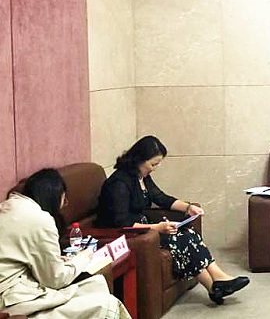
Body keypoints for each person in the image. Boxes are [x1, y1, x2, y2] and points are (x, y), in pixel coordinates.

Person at [95, 136, 249, 305]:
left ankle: (217, 283)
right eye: (153, 164)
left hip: (144, 227)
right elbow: (121, 222)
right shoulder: (119, 183)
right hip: (130, 233)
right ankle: (216, 285)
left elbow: (160, 198)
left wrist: (188, 207)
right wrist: (157, 228)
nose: (155, 169)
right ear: (139, 159)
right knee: (180, 239)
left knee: (188, 232)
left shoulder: (140, 176)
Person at [0, 169, 132, 319]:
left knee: (94, 285)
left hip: (15, 290)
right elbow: (56, 279)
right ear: (55, 197)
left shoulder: (9, 205)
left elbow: (19, 256)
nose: (65, 204)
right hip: (12, 300)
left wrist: (58, 260)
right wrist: (83, 257)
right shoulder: (40, 220)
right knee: (106, 304)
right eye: (64, 198)